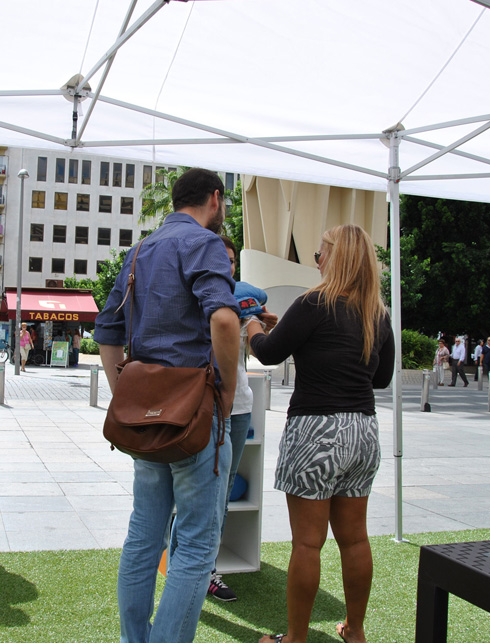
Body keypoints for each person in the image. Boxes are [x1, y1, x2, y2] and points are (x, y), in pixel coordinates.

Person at [95, 168, 240, 643]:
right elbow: (224, 319)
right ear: (215, 198)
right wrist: (226, 391)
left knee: (144, 536)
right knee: (196, 545)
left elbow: (107, 331)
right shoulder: (204, 243)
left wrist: (123, 394)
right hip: (194, 413)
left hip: (144, 416)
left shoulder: (140, 250)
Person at [247, 224, 394, 643]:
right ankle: (355, 630)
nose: (317, 261)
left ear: (335, 257)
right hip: (362, 431)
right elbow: (381, 378)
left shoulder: (313, 302)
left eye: (319, 254)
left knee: (308, 545)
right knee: (355, 540)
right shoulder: (377, 313)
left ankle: (296, 638)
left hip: (316, 430)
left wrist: (253, 325)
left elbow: (268, 353)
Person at [205, 235, 277, 603]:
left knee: (223, 490)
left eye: (232, 260)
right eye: (222, 258)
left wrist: (261, 324)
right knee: (201, 490)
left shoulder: (244, 302)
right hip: (204, 407)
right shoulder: (196, 296)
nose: (228, 265)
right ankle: (190, 563)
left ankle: (208, 567)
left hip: (239, 407)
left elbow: (259, 350)